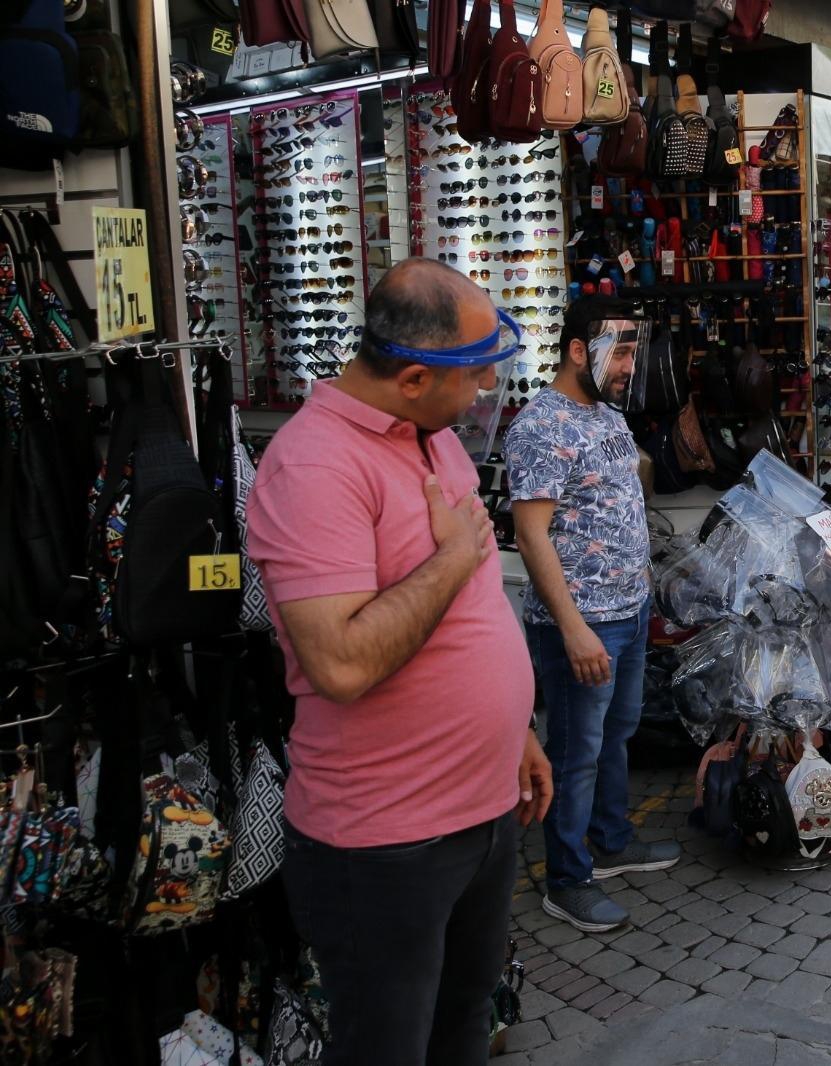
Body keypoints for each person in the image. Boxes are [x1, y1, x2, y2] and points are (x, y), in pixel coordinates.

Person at [246, 258, 554, 1066]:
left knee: (464, 1029)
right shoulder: (313, 467)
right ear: (415, 376)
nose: (487, 389)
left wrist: (512, 728)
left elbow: (472, 614)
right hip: (384, 843)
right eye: (478, 376)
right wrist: (451, 558)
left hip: (479, 812)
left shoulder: (434, 437)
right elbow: (342, 663)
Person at [507, 304, 680, 934]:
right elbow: (530, 536)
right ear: (580, 349)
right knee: (576, 751)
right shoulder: (539, 427)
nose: (630, 366)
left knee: (619, 730)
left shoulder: (607, 414)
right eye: (623, 351)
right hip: (581, 624)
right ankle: (567, 878)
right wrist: (574, 626)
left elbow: (626, 484)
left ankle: (610, 840)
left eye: (634, 351)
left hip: (629, 612)